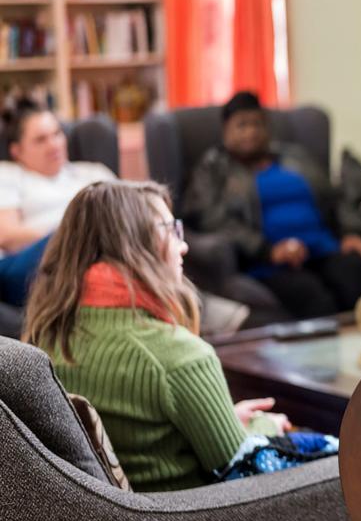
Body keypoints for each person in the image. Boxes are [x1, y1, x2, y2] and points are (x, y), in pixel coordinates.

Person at [23, 181, 296, 491]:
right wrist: (265, 426)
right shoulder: (178, 356)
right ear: (135, 246)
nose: (184, 246)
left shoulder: (45, 336)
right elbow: (242, 469)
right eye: (170, 229)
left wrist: (225, 421)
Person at [181, 91, 361, 320]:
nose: (251, 132)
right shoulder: (214, 169)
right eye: (241, 125)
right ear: (226, 132)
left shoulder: (296, 157)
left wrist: (351, 232)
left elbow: (334, 197)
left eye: (257, 124)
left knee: (354, 274)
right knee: (313, 297)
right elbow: (210, 217)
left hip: (323, 248)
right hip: (269, 262)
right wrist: (266, 250)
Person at [0, 102, 114, 305]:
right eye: (40, 140)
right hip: (28, 262)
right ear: (17, 151)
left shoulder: (94, 172)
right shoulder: (8, 175)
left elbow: (131, 211)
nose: (54, 145)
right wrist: (71, 235)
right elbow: (7, 235)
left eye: (57, 134)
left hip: (88, 253)